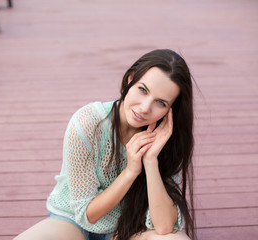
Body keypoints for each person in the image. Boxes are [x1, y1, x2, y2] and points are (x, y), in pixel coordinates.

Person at [13, 49, 196, 240]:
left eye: (161, 103)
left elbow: (165, 225)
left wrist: (150, 162)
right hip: (73, 223)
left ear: (170, 111)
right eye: (143, 90)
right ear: (130, 79)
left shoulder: (165, 139)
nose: (144, 108)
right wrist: (131, 171)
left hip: (128, 229)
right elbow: (87, 214)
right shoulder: (88, 123)